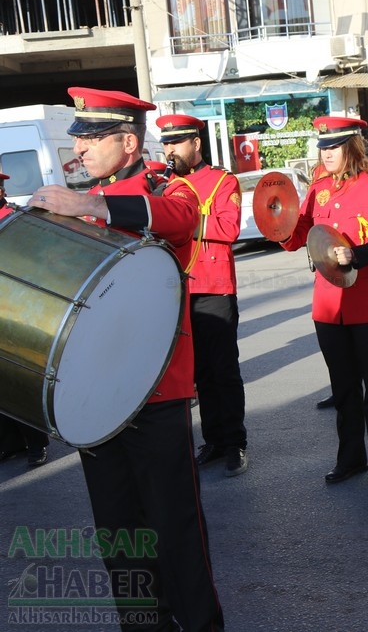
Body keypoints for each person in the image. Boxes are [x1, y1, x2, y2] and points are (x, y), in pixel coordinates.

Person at [27, 88, 224, 631]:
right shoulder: (83, 195)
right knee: (119, 532)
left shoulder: (163, 188)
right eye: (80, 137)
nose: (81, 148)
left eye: (92, 137)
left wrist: (91, 205)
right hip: (93, 390)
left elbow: (180, 219)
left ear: (129, 141)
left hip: (155, 390)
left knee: (174, 526)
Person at [280, 116, 368, 487]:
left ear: (350, 146)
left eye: (333, 146)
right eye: (323, 146)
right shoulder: (317, 187)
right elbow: (298, 233)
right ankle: (350, 459)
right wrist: (279, 225)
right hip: (329, 306)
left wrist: (361, 253)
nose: (326, 153)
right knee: (344, 388)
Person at [157, 114, 249, 477]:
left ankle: (235, 443)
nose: (169, 151)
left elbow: (228, 227)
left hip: (213, 287)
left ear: (196, 144)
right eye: (165, 143)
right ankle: (212, 440)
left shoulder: (223, 181)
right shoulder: (163, 185)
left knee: (224, 371)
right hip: (178, 288)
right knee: (199, 373)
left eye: (176, 143)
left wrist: (179, 216)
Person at [0, 172, 50, 467]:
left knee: (19, 376)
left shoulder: (15, 218)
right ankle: (10, 442)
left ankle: (36, 443)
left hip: (13, 307)